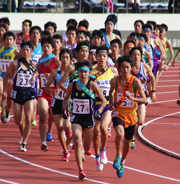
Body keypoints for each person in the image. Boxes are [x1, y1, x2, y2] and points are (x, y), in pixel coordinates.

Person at [62, 60, 107, 180]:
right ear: (77, 72)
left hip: (89, 119)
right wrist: (65, 109)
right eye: (81, 72)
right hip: (76, 118)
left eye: (85, 72)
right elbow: (66, 99)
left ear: (89, 73)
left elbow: (104, 101)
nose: (83, 74)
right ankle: (81, 171)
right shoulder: (72, 85)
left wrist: (99, 111)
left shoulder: (92, 85)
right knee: (77, 139)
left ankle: (84, 149)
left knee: (87, 148)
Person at [109, 55, 147, 178]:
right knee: (119, 134)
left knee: (128, 143)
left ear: (131, 68)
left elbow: (144, 99)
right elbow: (111, 93)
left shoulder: (135, 81)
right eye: (123, 67)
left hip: (131, 115)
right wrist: (110, 103)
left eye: (127, 67)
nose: (125, 70)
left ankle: (123, 162)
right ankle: (118, 156)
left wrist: (132, 98)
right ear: (119, 68)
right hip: (118, 113)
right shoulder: (114, 81)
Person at [3, 41, 36, 152]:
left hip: (29, 94)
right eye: (23, 50)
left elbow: (40, 75)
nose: (25, 52)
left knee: (28, 118)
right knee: (18, 120)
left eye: (28, 50)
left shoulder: (34, 65)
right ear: (21, 51)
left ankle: (24, 143)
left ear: (31, 52)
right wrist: (4, 90)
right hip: (17, 93)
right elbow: (6, 76)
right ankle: (23, 135)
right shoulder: (15, 63)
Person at [92, 45, 118, 171]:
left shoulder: (113, 71)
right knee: (95, 133)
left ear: (107, 58)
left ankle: (103, 150)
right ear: (95, 57)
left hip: (107, 105)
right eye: (99, 56)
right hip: (94, 105)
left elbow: (115, 89)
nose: (102, 58)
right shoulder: (90, 71)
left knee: (103, 128)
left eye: (104, 56)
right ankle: (97, 156)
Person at [45, 49, 72, 161]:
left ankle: (70, 135)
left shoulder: (73, 73)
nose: (65, 60)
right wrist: (52, 92)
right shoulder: (55, 73)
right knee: (59, 128)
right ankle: (65, 151)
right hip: (57, 102)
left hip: (69, 103)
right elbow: (46, 87)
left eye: (67, 57)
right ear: (59, 59)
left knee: (67, 126)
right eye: (63, 57)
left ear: (70, 59)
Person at [34, 36, 60, 151]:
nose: (45, 48)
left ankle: (64, 134)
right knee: (43, 116)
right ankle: (44, 142)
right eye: (43, 46)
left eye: (47, 46)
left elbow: (64, 74)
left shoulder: (56, 60)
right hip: (43, 92)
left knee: (56, 118)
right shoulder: (40, 61)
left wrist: (53, 76)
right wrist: (33, 77)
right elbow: (37, 72)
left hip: (55, 92)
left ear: (52, 48)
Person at [130, 46, 157, 148]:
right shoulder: (128, 67)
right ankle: (131, 139)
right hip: (130, 98)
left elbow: (152, 77)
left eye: (138, 54)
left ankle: (128, 130)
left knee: (140, 121)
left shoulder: (145, 67)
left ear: (141, 56)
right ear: (130, 56)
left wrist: (153, 91)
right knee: (131, 118)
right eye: (134, 54)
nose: (136, 57)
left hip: (142, 97)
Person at [0, 31, 19, 124]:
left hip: (11, 77)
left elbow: (19, 65)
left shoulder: (15, 51)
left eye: (10, 39)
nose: (8, 41)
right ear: (3, 41)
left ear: (13, 41)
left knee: (9, 98)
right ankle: (3, 112)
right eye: (6, 39)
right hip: (2, 76)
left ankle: (7, 110)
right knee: (1, 93)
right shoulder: (1, 50)